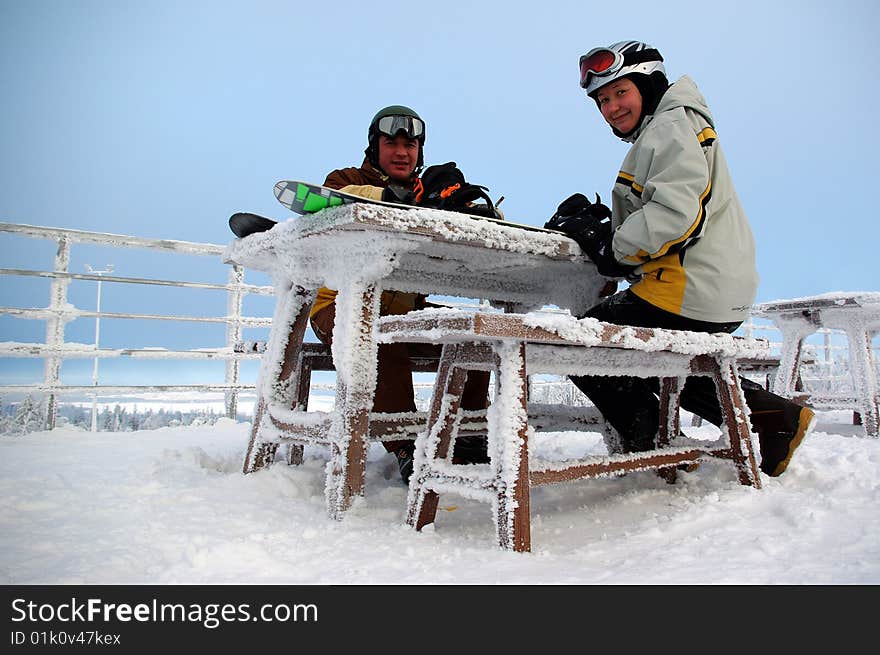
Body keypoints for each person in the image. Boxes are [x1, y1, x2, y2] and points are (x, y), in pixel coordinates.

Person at [545, 41, 814, 477]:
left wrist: (610, 246)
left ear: (648, 85)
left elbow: (674, 215)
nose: (612, 107)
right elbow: (678, 218)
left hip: (690, 288)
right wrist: (615, 238)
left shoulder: (669, 126)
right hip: (716, 284)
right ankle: (773, 417)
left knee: (579, 344)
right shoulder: (674, 126)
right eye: (603, 100)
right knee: (654, 356)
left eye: (620, 93)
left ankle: (649, 441)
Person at [309, 105, 491, 482]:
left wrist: (472, 211)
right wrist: (388, 196)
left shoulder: (430, 193)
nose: (402, 152)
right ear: (374, 147)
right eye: (391, 142)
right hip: (341, 307)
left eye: (410, 145)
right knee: (379, 335)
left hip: (406, 310)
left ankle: (469, 435)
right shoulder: (346, 178)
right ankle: (405, 446)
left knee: (474, 335)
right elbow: (332, 196)